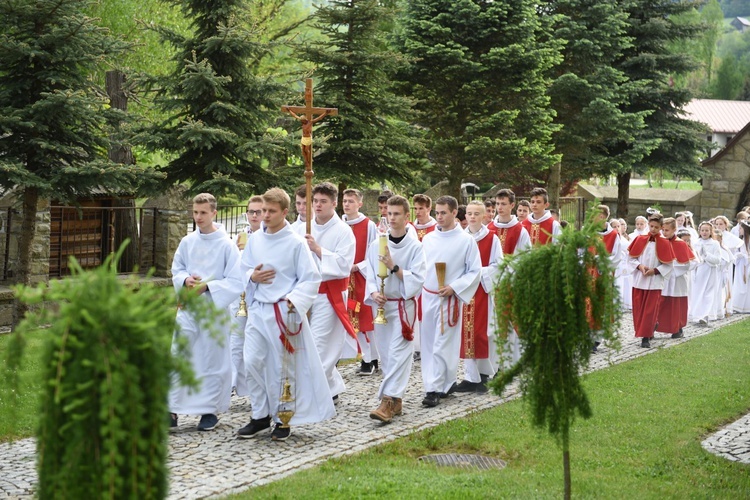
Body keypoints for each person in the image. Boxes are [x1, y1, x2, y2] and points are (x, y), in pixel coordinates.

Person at [235, 188, 334, 441]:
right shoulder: (256, 239)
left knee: (282, 367)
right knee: (253, 360)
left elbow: (311, 278)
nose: (265, 216)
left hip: (283, 312)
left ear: (284, 212)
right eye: (262, 211)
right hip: (258, 309)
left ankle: (282, 418)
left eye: (270, 211)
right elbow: (243, 269)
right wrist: (252, 277)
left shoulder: (296, 242)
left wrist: (294, 300)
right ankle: (259, 415)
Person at [169, 193, 244, 431]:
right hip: (189, 307)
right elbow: (176, 268)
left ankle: (209, 410)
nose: (198, 217)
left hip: (214, 309)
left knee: (212, 358)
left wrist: (208, 287)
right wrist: (185, 280)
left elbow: (236, 279)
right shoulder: (187, 242)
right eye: (195, 212)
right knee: (179, 354)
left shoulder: (226, 245)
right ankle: (171, 409)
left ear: (214, 213)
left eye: (203, 212)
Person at [365, 196, 426, 422]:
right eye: (389, 214)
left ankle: (387, 402)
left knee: (400, 353)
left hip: (402, 306)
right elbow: (370, 273)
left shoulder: (415, 246)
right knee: (387, 356)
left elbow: (418, 278)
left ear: (406, 216)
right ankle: (397, 401)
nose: (391, 218)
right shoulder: (377, 244)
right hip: (382, 306)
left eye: (396, 214)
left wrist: (394, 267)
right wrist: (373, 293)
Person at [420, 196, 481, 407]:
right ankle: (444, 383)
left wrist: (454, 287)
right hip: (428, 297)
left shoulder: (466, 241)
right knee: (429, 344)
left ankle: (433, 389)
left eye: (443, 212)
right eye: (437, 213)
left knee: (442, 344)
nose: (439, 217)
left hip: (449, 300)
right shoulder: (428, 239)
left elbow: (475, 271)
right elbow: (421, 268)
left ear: (455, 213)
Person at [306, 182, 356, 404]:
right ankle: (331, 386)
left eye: (323, 201)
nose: (317, 205)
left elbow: (344, 265)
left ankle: (317, 391)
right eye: (315, 201)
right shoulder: (304, 227)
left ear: (334, 204)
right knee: (305, 343)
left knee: (320, 344)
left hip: (329, 293)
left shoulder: (344, 232)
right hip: (306, 293)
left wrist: (317, 250)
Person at [455, 201, 502, 392]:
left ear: (484, 216)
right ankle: (469, 376)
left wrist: (476, 273)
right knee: (465, 334)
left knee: (482, 333)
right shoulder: (460, 238)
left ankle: (483, 376)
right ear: (465, 216)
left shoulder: (492, 239)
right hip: (463, 292)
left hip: (482, 290)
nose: (472, 217)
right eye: (469, 214)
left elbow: (498, 265)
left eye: (476, 214)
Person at [487, 188, 530, 366]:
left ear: (512, 205)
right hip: (490, 283)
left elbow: (524, 257)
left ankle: (512, 361)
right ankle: (494, 363)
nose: (500, 207)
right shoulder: (488, 229)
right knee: (492, 323)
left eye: (503, 204)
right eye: (497, 204)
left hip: (511, 283)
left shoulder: (520, 230)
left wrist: (505, 274)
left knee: (511, 322)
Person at [341, 188, 379, 375]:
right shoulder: (340, 224)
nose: (346, 204)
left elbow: (373, 251)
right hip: (343, 277)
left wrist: (359, 266)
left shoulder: (368, 225)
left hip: (361, 277)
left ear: (360, 204)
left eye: (350, 201)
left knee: (365, 318)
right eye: (344, 201)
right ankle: (365, 356)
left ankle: (371, 359)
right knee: (348, 317)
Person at [230, 196, 263, 398]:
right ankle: (234, 383)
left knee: (256, 346)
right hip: (239, 297)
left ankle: (256, 387)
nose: (254, 216)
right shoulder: (241, 237)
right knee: (235, 340)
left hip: (260, 297)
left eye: (258, 212)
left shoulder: (268, 237)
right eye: (251, 212)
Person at [627, 213, 674, 348]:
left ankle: (645, 337)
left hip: (654, 282)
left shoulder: (665, 242)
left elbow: (668, 264)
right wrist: (640, 266)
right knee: (639, 309)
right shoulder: (639, 239)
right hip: (639, 280)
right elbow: (630, 259)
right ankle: (649, 327)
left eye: (656, 227)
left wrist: (655, 271)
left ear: (661, 228)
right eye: (651, 226)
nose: (653, 229)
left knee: (650, 310)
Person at [589, 206, 623, 352]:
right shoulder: (588, 232)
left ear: (602, 217)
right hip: (587, 276)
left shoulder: (613, 235)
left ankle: (596, 338)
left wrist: (600, 261)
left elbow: (616, 257)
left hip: (603, 276)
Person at [655, 218, 697, 339]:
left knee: (677, 305)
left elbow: (688, 263)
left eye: (667, 230)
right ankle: (655, 326)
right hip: (662, 278)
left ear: (674, 229)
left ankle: (677, 328)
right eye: (662, 230)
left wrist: (671, 266)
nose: (664, 232)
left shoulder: (680, 244)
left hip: (677, 279)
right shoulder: (660, 242)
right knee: (661, 303)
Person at [688, 222, 721, 325]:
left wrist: (706, 255)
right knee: (697, 293)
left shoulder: (715, 243)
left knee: (708, 293)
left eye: (707, 230)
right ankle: (696, 314)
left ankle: (706, 315)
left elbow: (717, 260)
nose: (704, 232)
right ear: (699, 231)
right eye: (702, 230)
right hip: (698, 271)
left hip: (710, 271)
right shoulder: (696, 242)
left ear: (711, 231)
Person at [713, 229, 735, 319]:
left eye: (718, 240)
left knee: (719, 292)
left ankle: (719, 310)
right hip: (713, 274)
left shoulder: (724, 249)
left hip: (720, 273)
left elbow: (728, 260)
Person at [731, 220, 750, 313]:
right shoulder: (741, 241)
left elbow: (747, 254)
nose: (739, 230)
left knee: (745, 285)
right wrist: (738, 255)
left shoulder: (747, 241)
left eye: (741, 229)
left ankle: (745, 306)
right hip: (740, 265)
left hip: (746, 265)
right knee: (739, 284)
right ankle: (738, 305)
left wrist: (745, 256)